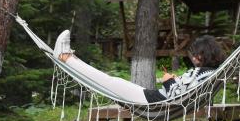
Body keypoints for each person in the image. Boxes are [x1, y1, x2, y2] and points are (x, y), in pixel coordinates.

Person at [54, 30, 225, 104]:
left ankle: (66, 58)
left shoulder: (201, 73)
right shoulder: (209, 73)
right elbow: (185, 93)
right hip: (150, 98)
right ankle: (70, 58)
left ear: (206, 54)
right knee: (108, 81)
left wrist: (168, 81)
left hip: (151, 101)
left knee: (107, 81)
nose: (194, 57)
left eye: (197, 54)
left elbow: (176, 95)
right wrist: (174, 80)